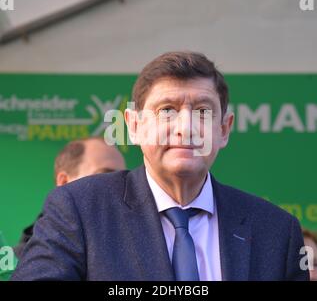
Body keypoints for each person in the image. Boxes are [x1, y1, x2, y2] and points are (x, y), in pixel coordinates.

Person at [11, 52, 309, 281]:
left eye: (203, 111)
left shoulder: (276, 231)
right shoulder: (79, 209)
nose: (186, 127)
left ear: (224, 129)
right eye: (167, 110)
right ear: (135, 126)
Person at [13, 137, 126, 259]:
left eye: (124, 181)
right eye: (105, 176)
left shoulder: (133, 254)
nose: (119, 190)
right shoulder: (15, 268)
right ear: (64, 182)